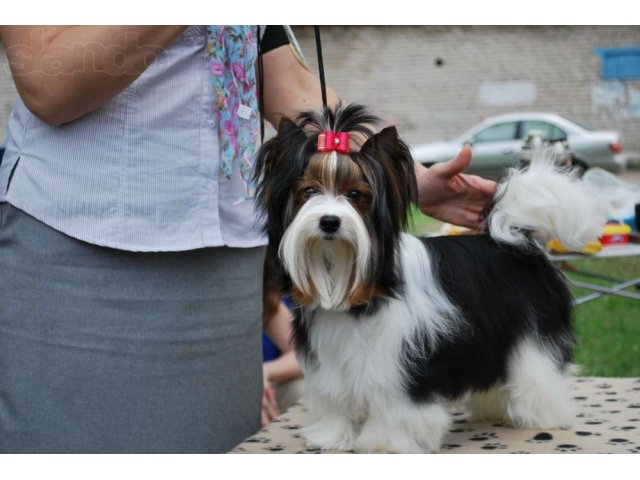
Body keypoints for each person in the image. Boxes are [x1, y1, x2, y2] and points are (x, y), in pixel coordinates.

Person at [0, 25, 495, 453]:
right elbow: (47, 83)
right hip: (82, 249)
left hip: (225, 260)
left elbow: (293, 87)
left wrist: (403, 178)